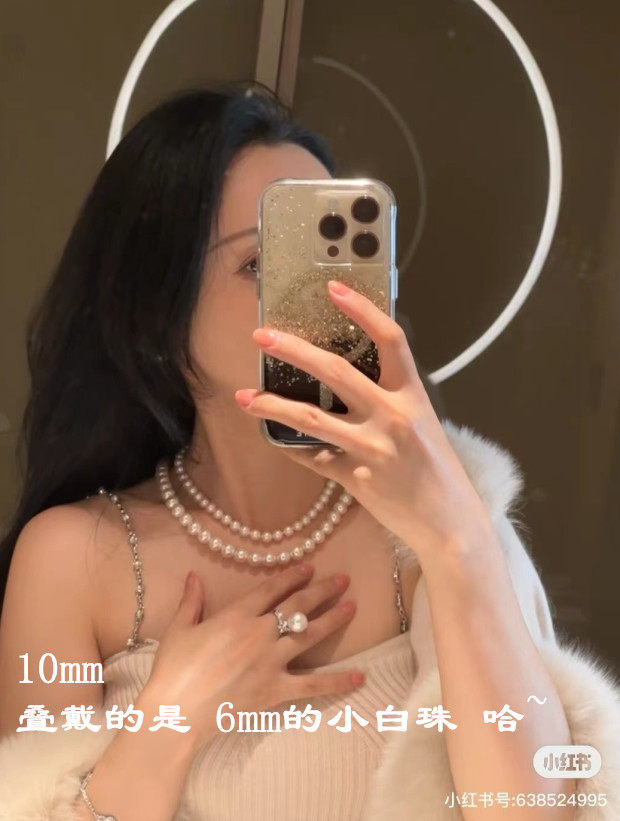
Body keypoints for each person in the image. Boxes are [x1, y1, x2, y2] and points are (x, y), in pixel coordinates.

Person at [0, 82, 618, 821]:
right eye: (263, 263)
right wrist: (170, 722)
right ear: (156, 313)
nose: (322, 295)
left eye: (340, 257)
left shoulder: (442, 521)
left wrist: (458, 540)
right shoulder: (76, 560)